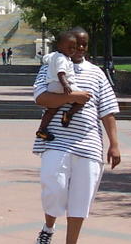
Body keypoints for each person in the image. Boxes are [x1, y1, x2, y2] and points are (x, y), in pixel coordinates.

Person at [32, 26, 121, 244]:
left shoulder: (97, 73)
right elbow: (41, 98)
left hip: (88, 143)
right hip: (56, 141)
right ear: (64, 44)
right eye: (75, 44)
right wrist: (74, 96)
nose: (79, 48)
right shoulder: (51, 65)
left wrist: (114, 144)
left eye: (84, 44)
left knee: (81, 199)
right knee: (53, 187)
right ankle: (48, 228)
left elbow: (107, 110)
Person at [35, 31, 81, 141]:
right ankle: (68, 114)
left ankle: (42, 129)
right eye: (69, 47)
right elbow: (61, 73)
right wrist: (65, 85)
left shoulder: (54, 56)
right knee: (84, 97)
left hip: (52, 87)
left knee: (51, 110)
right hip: (61, 85)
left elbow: (45, 58)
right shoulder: (62, 58)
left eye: (74, 48)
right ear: (59, 46)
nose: (72, 50)